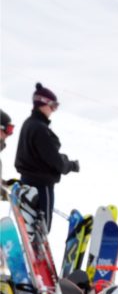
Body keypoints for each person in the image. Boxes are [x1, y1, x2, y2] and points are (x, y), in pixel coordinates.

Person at [14, 83, 80, 232]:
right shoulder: (40, 129)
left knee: (29, 229)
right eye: (53, 105)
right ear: (42, 104)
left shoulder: (28, 124)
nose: (54, 110)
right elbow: (57, 163)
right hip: (41, 187)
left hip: (26, 183)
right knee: (41, 230)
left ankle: (29, 253)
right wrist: (72, 165)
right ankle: (37, 254)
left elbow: (39, 155)